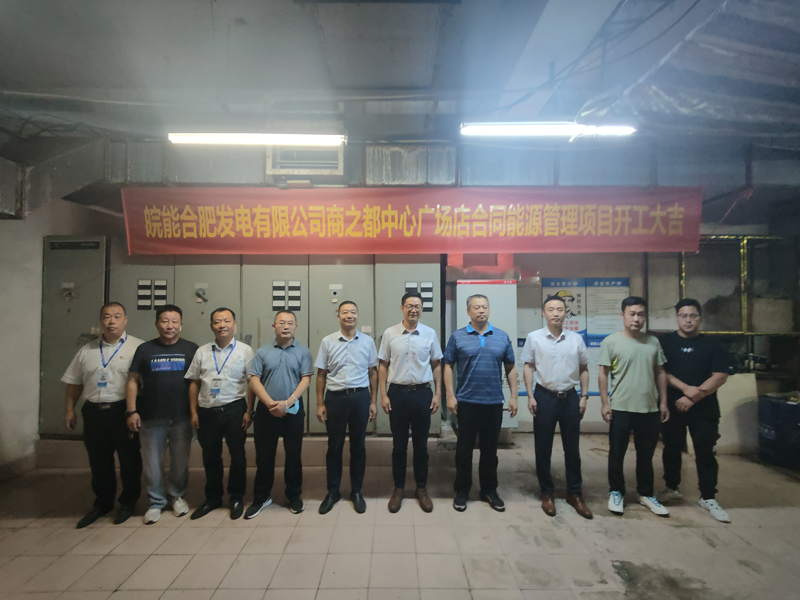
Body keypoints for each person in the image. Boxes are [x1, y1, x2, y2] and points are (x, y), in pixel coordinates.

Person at [62, 302, 143, 528]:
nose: (112, 321)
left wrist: (135, 411)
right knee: (98, 461)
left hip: (123, 411)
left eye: (117, 316)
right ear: (100, 321)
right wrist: (69, 409)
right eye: (107, 317)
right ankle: (103, 502)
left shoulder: (138, 347)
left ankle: (128, 501)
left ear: (125, 320)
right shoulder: (86, 350)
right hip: (94, 411)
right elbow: (74, 383)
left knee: (129, 460)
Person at [659, 298, 732, 522]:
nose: (688, 320)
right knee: (671, 448)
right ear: (677, 318)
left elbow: (720, 376)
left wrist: (694, 397)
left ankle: (708, 496)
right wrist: (685, 389)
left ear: (700, 318)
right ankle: (672, 487)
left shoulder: (713, 345)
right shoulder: (665, 343)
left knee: (705, 451)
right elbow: (662, 372)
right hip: (673, 406)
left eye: (693, 316)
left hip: (705, 409)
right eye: (684, 316)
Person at [444, 294, 517, 513]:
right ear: (468, 311)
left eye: (484, 307)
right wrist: (450, 395)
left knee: (490, 451)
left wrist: (514, 396)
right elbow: (447, 366)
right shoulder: (457, 337)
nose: (481, 310)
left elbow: (511, 367)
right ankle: (462, 490)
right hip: (467, 402)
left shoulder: (502, 337)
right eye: (476, 307)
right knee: (464, 450)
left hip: (493, 403)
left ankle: (489, 490)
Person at [522, 295, 592, 519]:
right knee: (543, 448)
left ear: (565, 313)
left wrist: (584, 397)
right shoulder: (534, 338)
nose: (555, 313)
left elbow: (584, 368)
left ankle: (575, 493)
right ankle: (547, 492)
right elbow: (528, 367)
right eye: (551, 309)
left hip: (570, 398)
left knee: (573, 448)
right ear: (544, 313)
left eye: (560, 309)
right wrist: (530, 396)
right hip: (544, 397)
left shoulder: (576, 339)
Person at [126, 304, 198, 525]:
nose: (170, 326)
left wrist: (195, 412)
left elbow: (196, 383)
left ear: (181, 324)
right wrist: (132, 410)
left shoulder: (191, 349)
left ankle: (177, 496)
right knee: (152, 463)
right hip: (151, 416)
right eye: (165, 321)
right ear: (157, 324)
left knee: (180, 461)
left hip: (181, 416)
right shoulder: (145, 349)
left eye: (174, 321)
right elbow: (132, 380)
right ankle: (156, 502)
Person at [599, 296, 669, 517]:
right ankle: (616, 492)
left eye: (640, 314)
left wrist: (663, 402)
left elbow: (660, 373)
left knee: (646, 455)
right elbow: (603, 373)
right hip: (620, 407)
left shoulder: (653, 342)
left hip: (649, 408)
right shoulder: (611, 342)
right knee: (616, 453)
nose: (636, 319)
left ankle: (646, 493)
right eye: (632, 314)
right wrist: (605, 403)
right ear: (622, 315)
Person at [185, 307, 254, 521]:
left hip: (235, 409)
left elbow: (252, 383)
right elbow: (194, 383)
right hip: (207, 411)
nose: (222, 325)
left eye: (226, 321)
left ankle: (236, 497)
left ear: (234, 324)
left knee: (237, 455)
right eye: (217, 322)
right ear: (211, 326)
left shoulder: (245, 351)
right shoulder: (202, 352)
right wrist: (193, 412)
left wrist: (249, 411)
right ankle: (213, 498)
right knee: (210, 456)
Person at [379, 292, 443, 513]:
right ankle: (398, 488)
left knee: (421, 446)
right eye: (409, 306)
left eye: (417, 306)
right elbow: (383, 365)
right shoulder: (390, 333)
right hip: (397, 394)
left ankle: (421, 488)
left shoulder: (430, 333)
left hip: (422, 393)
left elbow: (436, 365)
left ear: (422, 309)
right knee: (399, 446)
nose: (413, 309)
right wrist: (383, 395)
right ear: (402, 308)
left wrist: (437, 394)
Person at [246, 310, 313, 517]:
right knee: (264, 456)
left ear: (296, 327)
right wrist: (269, 404)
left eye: (290, 323)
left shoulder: (303, 351)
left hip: (293, 409)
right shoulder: (262, 352)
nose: (286, 326)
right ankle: (262, 497)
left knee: (293, 455)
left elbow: (306, 379)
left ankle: (293, 495)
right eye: (281, 323)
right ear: (274, 326)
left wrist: (288, 403)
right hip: (266, 411)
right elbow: (254, 379)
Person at [315, 300, 378, 515]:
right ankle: (333, 491)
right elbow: (321, 374)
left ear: (358, 315)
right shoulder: (328, 341)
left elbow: (373, 372)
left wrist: (373, 401)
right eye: (345, 312)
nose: (349, 315)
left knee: (358, 447)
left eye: (353, 312)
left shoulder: (368, 342)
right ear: (338, 315)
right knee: (334, 447)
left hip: (360, 397)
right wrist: (320, 403)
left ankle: (356, 491)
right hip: (335, 398)